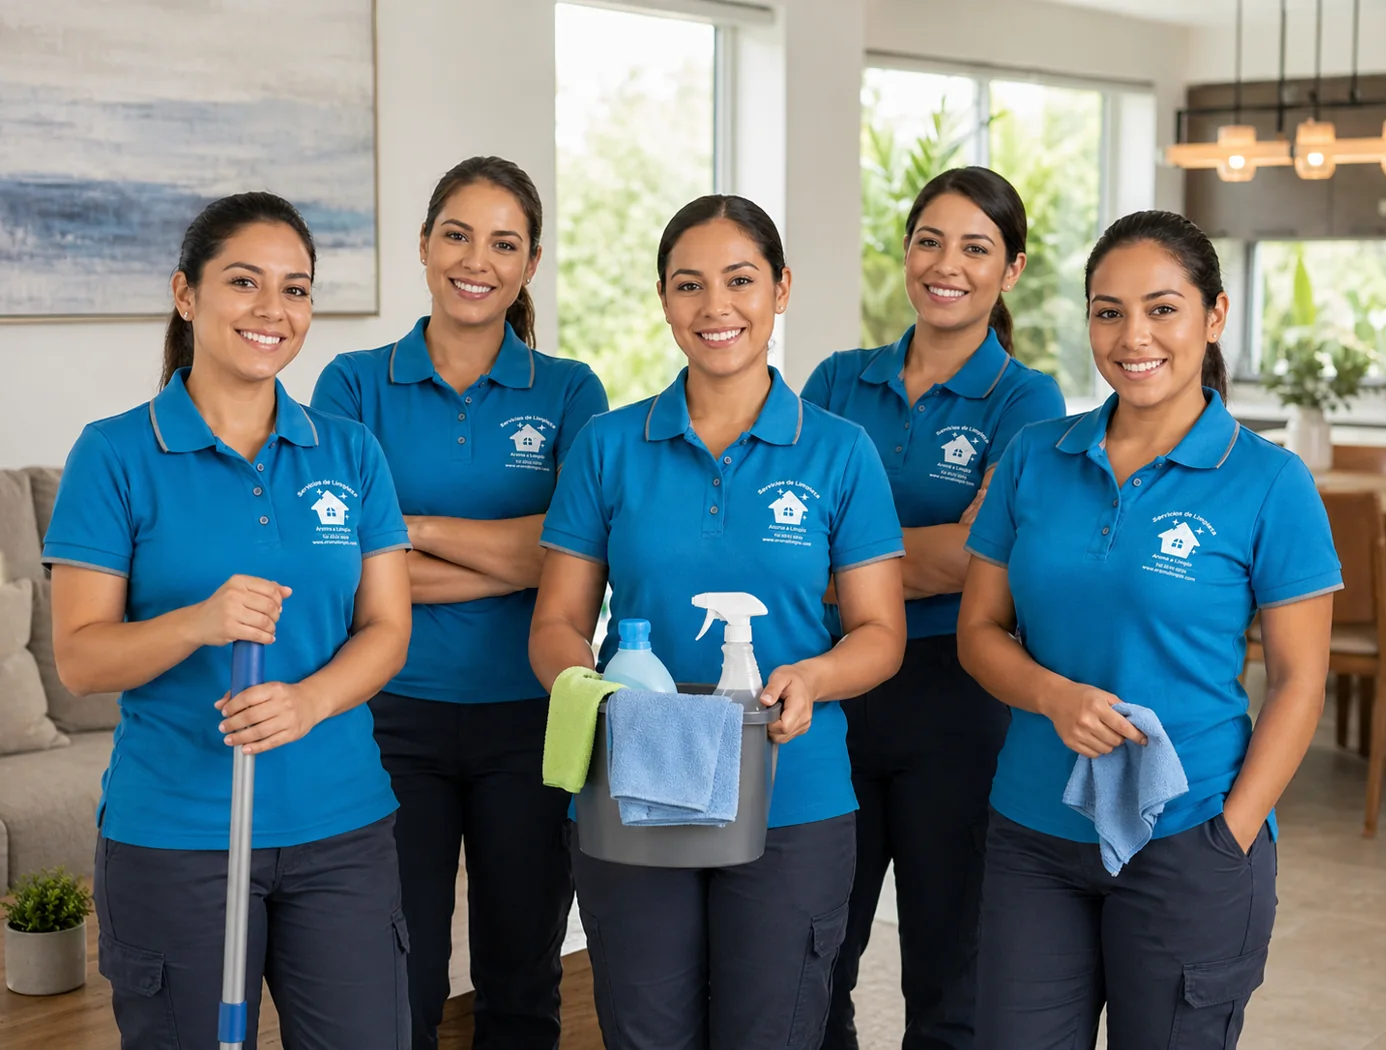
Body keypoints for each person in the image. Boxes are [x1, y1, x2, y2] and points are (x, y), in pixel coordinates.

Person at [528, 193, 907, 1050]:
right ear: (664, 299)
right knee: (645, 1031)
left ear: (780, 290)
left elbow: (879, 634)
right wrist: (598, 697)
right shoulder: (611, 447)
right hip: (632, 788)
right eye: (689, 285)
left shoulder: (838, 451)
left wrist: (812, 678)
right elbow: (556, 623)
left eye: (740, 280)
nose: (715, 307)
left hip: (792, 795)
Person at [957, 210, 1339, 1050]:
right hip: (1033, 834)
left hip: (1190, 836)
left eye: (1163, 308)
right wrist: (1053, 697)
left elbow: (1301, 681)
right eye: (1108, 310)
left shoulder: (1270, 483)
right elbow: (980, 630)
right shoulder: (1032, 455)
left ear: (1214, 315)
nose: (1134, 336)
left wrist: (1230, 836)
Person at [44, 192, 414, 1049]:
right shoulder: (116, 453)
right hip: (177, 836)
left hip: (342, 829)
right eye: (244, 282)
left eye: (296, 289)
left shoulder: (350, 450)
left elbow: (387, 629)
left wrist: (309, 702)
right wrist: (199, 622)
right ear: (186, 294)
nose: (272, 311)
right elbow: (82, 659)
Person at [310, 157, 608, 1050]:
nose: (477, 259)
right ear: (425, 245)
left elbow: (578, 564)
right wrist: (524, 555)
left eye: (504, 242)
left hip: (535, 717)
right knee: (395, 969)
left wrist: (410, 531)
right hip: (388, 715)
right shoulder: (352, 385)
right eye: (458, 234)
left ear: (530, 263)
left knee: (522, 973)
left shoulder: (570, 391)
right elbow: (345, 573)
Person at [804, 166, 1064, 1050]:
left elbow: (974, 557)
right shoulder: (839, 380)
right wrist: (891, 563)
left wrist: (844, 563)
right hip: (831, 694)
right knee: (812, 952)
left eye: (975, 247)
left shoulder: (1028, 403)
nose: (946, 264)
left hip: (957, 700)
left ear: (1012, 270)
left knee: (950, 967)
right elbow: (792, 541)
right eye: (929, 240)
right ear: (906, 252)